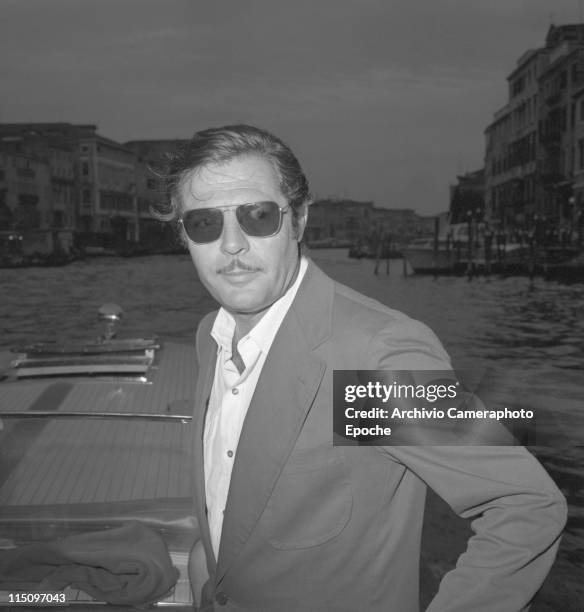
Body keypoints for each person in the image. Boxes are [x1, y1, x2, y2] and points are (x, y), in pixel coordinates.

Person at [159, 124, 566, 611]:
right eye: (204, 223)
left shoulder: (371, 359)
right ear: (184, 236)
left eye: (258, 216)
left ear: (300, 220)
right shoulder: (212, 335)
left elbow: (523, 504)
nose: (232, 245)